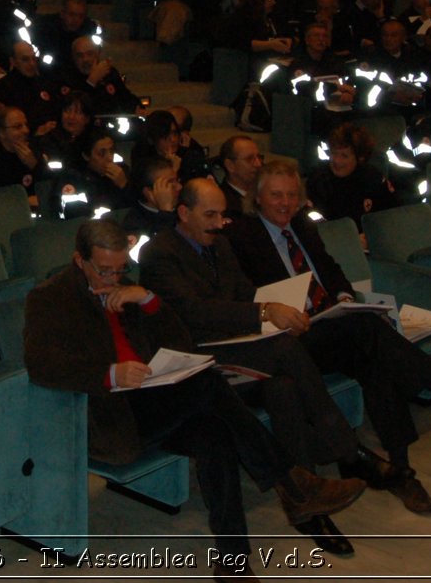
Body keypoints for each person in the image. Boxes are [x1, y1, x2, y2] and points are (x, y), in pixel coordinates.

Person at [22, 218, 366, 576]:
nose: (113, 278)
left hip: (152, 400)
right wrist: (108, 373)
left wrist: (150, 301)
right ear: (80, 261)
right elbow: (42, 366)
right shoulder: (50, 298)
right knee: (208, 384)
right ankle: (292, 482)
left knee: (215, 433)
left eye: (121, 269)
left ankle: (233, 561)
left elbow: (179, 342)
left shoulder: (127, 289)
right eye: (105, 270)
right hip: (108, 415)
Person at [225, 160, 431, 514]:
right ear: (258, 197)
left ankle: (400, 468)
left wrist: (344, 299)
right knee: (369, 331)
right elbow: (242, 296)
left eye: (292, 195)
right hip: (291, 340)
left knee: (374, 353)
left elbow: (331, 271)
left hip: (333, 328)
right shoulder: (241, 235)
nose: (285, 203)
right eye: (276, 196)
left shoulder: (302, 226)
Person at [142, 177, 394, 555]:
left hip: (237, 346)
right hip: (197, 355)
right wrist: (264, 312)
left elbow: (245, 292)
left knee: (284, 388)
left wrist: (279, 307)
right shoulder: (160, 252)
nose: (218, 222)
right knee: (284, 349)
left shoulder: (220, 245)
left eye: (222, 214)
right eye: (209, 215)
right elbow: (192, 312)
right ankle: (347, 450)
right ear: (183, 213)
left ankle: (306, 504)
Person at [305, 123, 399, 228]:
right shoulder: (318, 179)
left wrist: (369, 236)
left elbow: (391, 217)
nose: (336, 160)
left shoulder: (373, 179)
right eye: (333, 153)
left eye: (344, 156)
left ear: (360, 158)